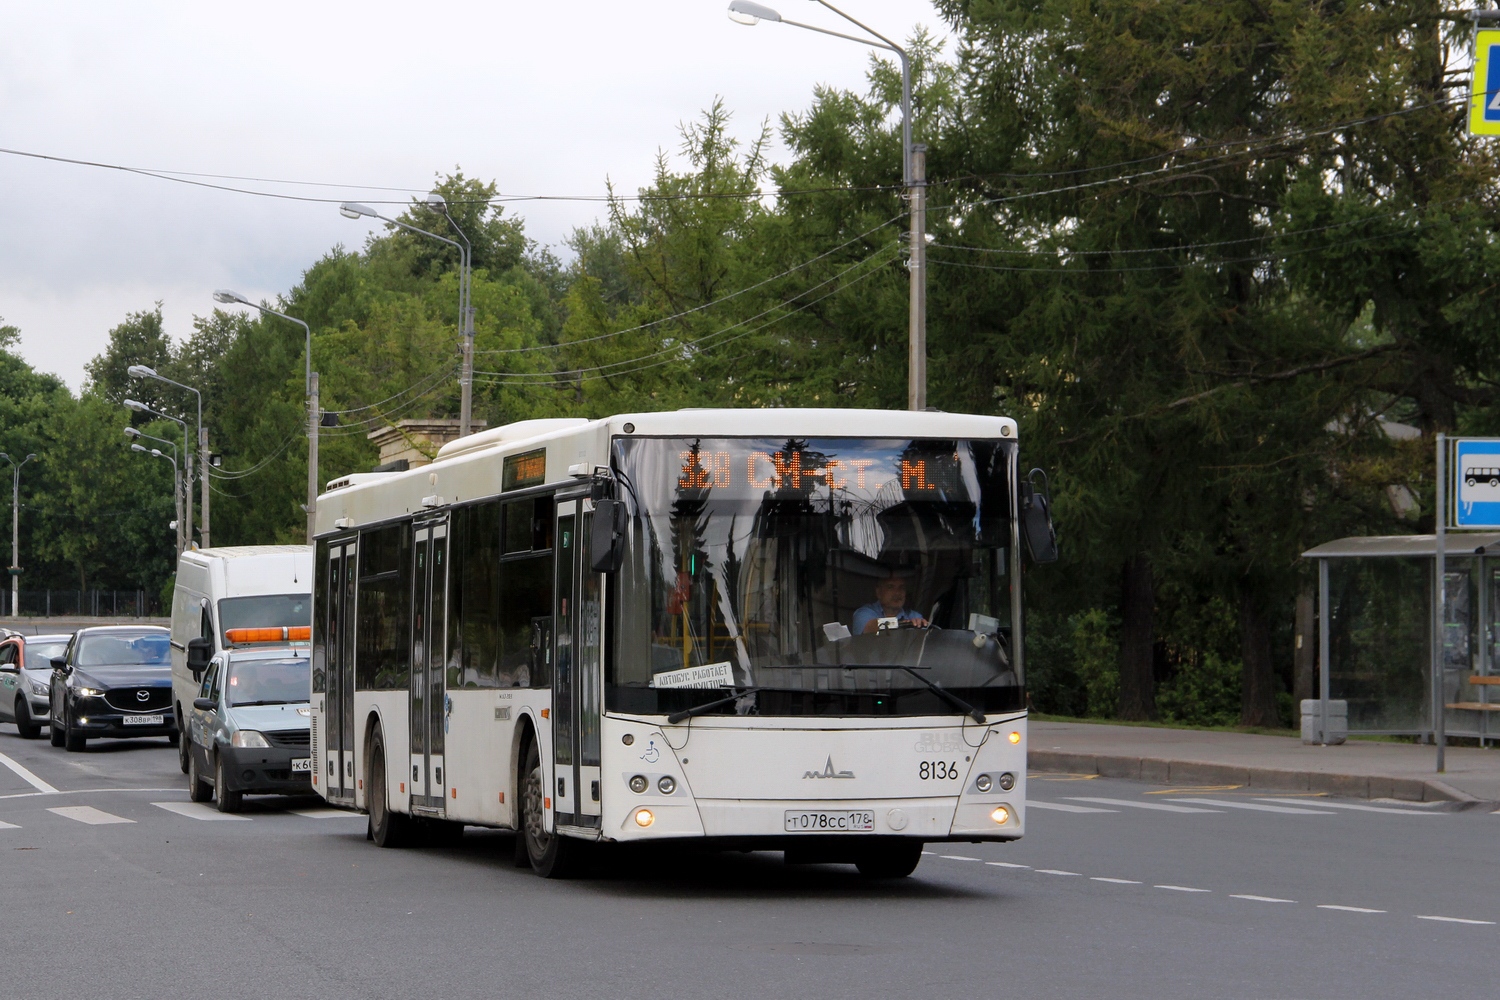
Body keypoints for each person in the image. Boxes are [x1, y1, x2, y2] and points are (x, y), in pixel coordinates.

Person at [852, 572, 928, 634]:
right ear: (878, 592)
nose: (897, 593)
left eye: (901, 587)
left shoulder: (914, 616)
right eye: (890, 587)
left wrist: (920, 625)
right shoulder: (864, 613)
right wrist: (902, 625)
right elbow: (870, 628)